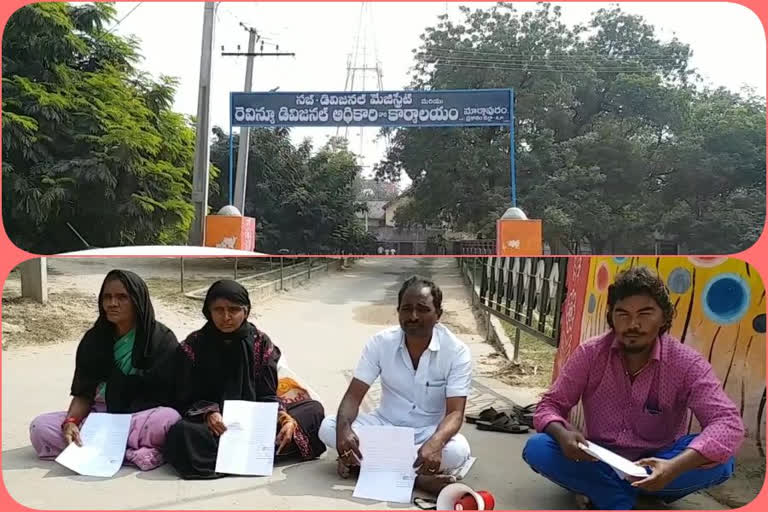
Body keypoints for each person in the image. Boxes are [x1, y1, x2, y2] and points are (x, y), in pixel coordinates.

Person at [522, 267, 744, 510]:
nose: (633, 324)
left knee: (723, 461)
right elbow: (549, 405)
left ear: (664, 318)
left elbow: (727, 422)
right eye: (623, 314)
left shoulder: (687, 363)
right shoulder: (590, 354)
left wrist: (673, 467)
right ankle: (628, 499)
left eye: (645, 313)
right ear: (611, 317)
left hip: (659, 464)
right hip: (598, 459)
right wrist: (562, 434)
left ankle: (600, 491)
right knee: (538, 447)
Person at [319, 276, 472, 496]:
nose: (413, 316)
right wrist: (343, 430)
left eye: (422, 309)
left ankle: (366, 467)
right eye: (406, 309)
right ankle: (418, 479)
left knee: (458, 451)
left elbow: (455, 413)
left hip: (427, 433)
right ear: (398, 312)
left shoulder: (457, 352)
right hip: (384, 425)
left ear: (438, 314)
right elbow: (353, 397)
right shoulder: (380, 343)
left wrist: (436, 442)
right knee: (329, 427)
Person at [163, 280, 326, 479]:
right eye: (218, 310)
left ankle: (241, 454)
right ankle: (256, 455)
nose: (226, 317)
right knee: (182, 434)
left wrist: (284, 418)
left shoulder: (260, 342)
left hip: (254, 418)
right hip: (214, 424)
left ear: (246, 311)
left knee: (313, 410)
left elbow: (267, 393)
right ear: (208, 312)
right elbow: (183, 394)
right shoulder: (194, 344)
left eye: (233, 310)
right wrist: (208, 412)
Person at [29, 270, 181, 471]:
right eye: (107, 297)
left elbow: (165, 396)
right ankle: (129, 454)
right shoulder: (94, 340)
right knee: (40, 427)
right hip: (97, 417)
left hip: (137, 418)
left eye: (121, 297)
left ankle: (102, 448)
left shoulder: (161, 339)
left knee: (169, 419)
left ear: (138, 300)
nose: (112, 303)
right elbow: (84, 393)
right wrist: (71, 422)